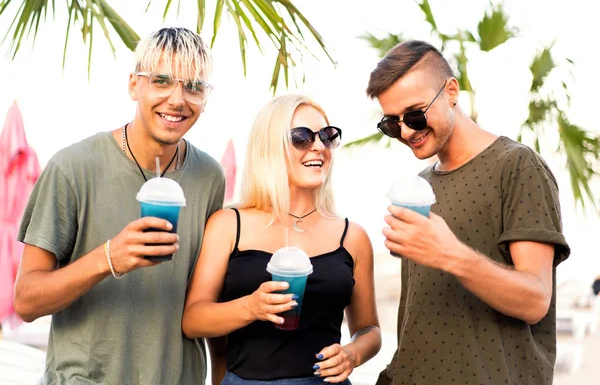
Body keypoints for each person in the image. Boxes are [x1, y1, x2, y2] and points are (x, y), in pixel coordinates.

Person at [14, 27, 225, 384]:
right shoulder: (73, 167)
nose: (177, 100)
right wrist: (108, 258)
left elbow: (208, 300)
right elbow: (26, 301)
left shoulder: (210, 177)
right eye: (161, 81)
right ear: (133, 85)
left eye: (193, 87)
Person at [366, 40, 570, 385]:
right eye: (391, 123)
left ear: (451, 91)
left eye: (415, 115)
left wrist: (451, 254)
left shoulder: (518, 166)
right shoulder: (420, 185)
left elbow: (536, 299)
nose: (406, 131)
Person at [182, 94, 381, 384]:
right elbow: (193, 320)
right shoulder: (228, 225)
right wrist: (251, 306)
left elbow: (369, 329)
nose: (318, 147)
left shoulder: (353, 237)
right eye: (301, 137)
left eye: (327, 136)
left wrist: (353, 354)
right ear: (269, 148)